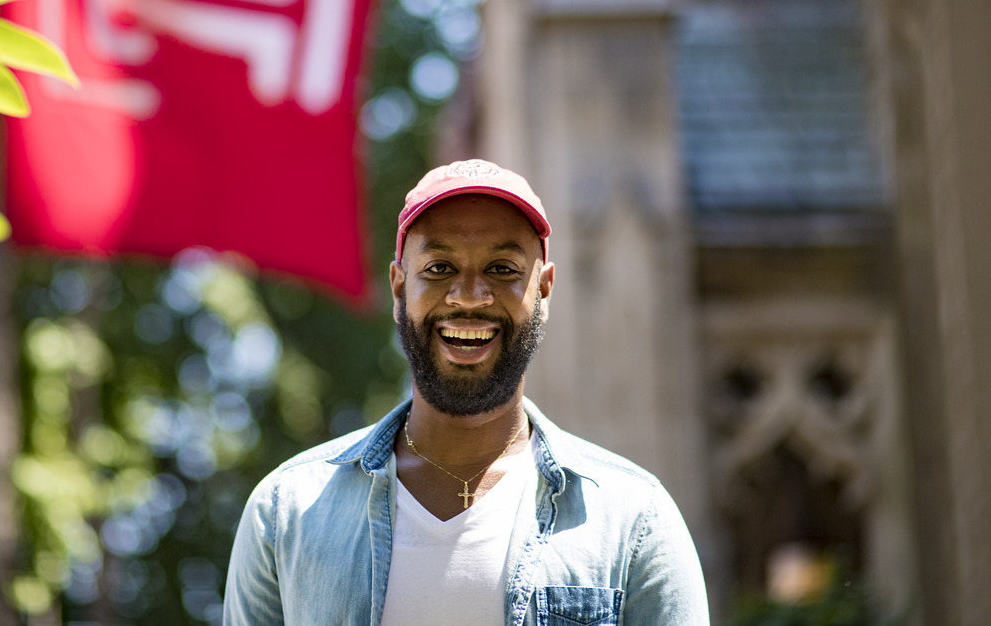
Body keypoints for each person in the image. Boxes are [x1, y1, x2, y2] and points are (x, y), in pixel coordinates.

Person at [223, 159, 708, 625]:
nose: (470, 296)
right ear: (398, 288)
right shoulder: (286, 513)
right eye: (438, 268)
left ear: (544, 289)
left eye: (502, 269)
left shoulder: (632, 519)